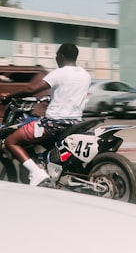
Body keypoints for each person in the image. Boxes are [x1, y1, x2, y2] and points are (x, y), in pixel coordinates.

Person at [0, 43, 91, 186]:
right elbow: (68, 93)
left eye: (56, 55)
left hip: (53, 124)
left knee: (10, 141)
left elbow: (31, 89)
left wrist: (10, 96)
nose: (56, 58)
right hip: (74, 123)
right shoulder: (85, 75)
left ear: (61, 55)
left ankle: (36, 173)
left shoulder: (59, 73)